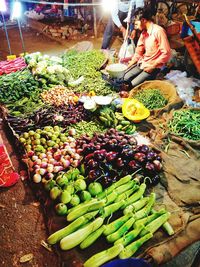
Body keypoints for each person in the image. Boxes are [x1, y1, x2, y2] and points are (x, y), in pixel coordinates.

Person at [123, 7, 171, 88]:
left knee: (132, 85)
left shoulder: (158, 31)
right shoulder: (143, 33)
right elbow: (138, 53)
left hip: (153, 67)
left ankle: (156, 75)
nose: (136, 27)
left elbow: (166, 53)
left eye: (136, 24)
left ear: (143, 20)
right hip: (143, 63)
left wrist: (153, 66)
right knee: (124, 78)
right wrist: (127, 66)